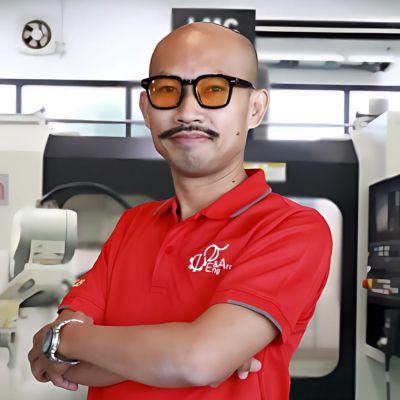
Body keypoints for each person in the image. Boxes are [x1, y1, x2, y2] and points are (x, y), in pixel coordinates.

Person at [28, 22, 332, 400]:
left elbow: (196, 361)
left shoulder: (291, 228)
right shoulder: (132, 225)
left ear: (255, 109)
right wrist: (184, 353)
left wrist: (65, 340)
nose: (187, 110)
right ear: (146, 109)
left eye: (215, 89)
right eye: (167, 90)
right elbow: (54, 363)